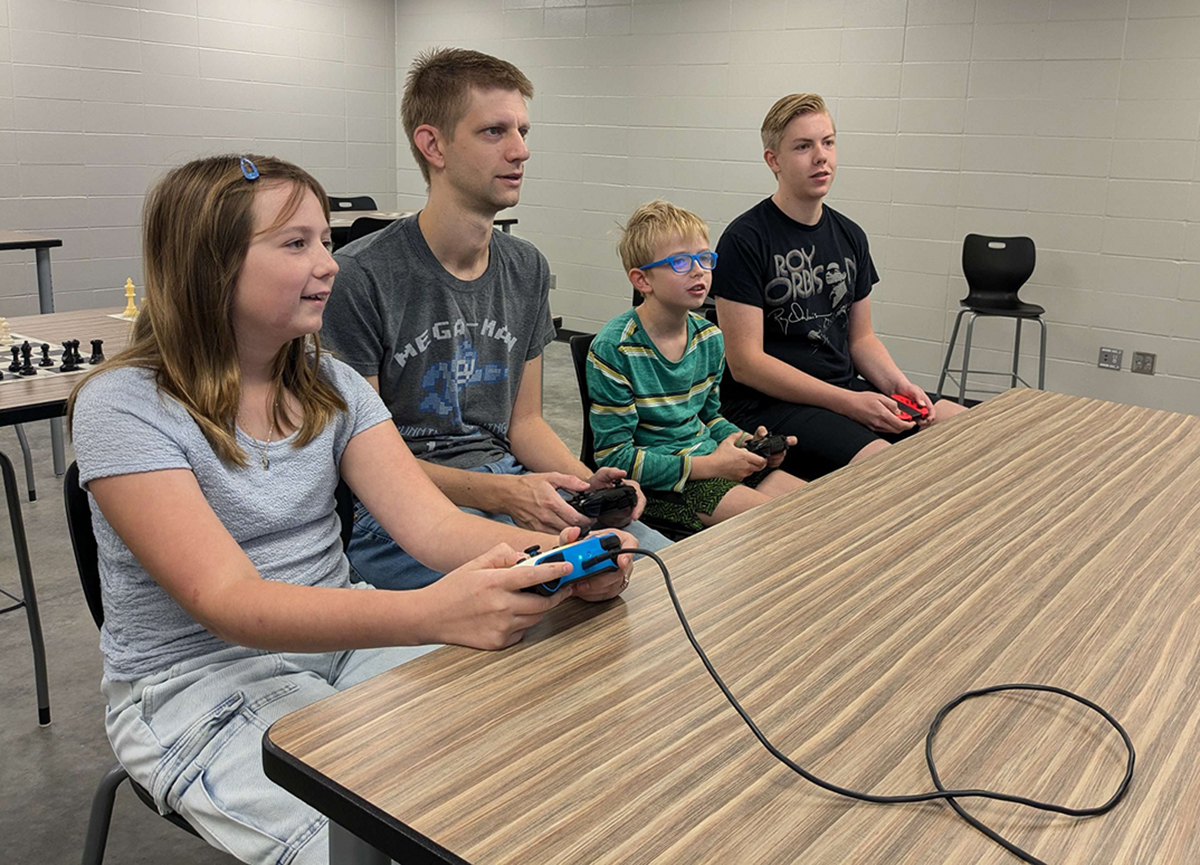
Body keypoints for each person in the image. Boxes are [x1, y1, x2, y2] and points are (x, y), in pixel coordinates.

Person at [68, 154, 635, 865]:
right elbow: (228, 600)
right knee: (385, 840)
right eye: (296, 243)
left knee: (517, 769)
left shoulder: (330, 383)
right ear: (209, 266)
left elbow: (429, 525)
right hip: (195, 679)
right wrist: (431, 612)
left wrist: (551, 563)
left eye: (326, 241)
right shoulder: (123, 406)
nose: (329, 264)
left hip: (343, 636)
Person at [322, 47, 670, 590]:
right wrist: (504, 495)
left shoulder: (526, 267)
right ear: (432, 145)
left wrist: (587, 485)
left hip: (508, 485)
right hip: (400, 515)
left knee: (654, 564)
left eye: (523, 131)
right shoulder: (359, 277)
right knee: (551, 606)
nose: (521, 151)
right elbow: (361, 464)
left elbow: (524, 424)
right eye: (494, 132)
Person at [712, 93, 967, 480]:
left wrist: (899, 384)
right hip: (770, 405)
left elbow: (861, 339)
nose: (821, 156)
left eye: (828, 142)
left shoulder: (850, 235)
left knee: (960, 422)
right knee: (889, 464)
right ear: (773, 161)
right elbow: (746, 364)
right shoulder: (745, 240)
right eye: (803, 146)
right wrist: (849, 403)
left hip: (845, 389)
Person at [587, 200, 805, 531]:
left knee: (816, 505)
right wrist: (711, 466)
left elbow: (708, 417)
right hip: (663, 484)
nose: (698, 270)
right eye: (679, 262)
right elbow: (615, 459)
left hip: (707, 460)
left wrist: (744, 443)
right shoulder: (615, 348)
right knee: (784, 524)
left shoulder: (710, 338)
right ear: (642, 280)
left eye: (705, 258)